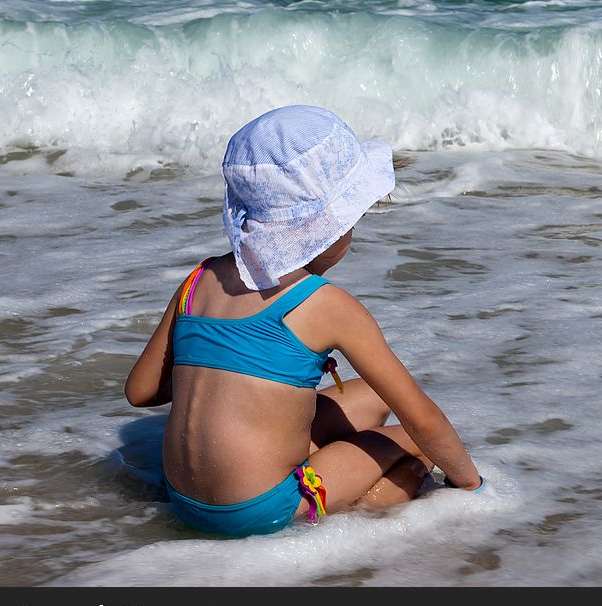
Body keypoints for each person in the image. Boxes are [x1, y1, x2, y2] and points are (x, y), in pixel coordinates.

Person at [124, 105, 483, 537]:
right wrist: (473, 487)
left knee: (370, 397)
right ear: (330, 223)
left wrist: (216, 371)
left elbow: (140, 392)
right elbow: (423, 420)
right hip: (258, 510)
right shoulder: (326, 305)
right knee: (411, 448)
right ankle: (347, 519)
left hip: (182, 496)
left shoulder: (199, 279)